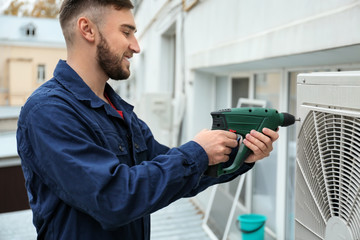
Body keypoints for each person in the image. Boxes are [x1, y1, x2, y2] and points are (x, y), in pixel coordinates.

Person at [16, 0, 279, 239]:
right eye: (126, 32)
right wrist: (198, 152)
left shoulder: (118, 110)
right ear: (88, 30)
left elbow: (172, 178)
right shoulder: (47, 112)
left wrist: (239, 156)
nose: (136, 46)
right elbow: (113, 198)